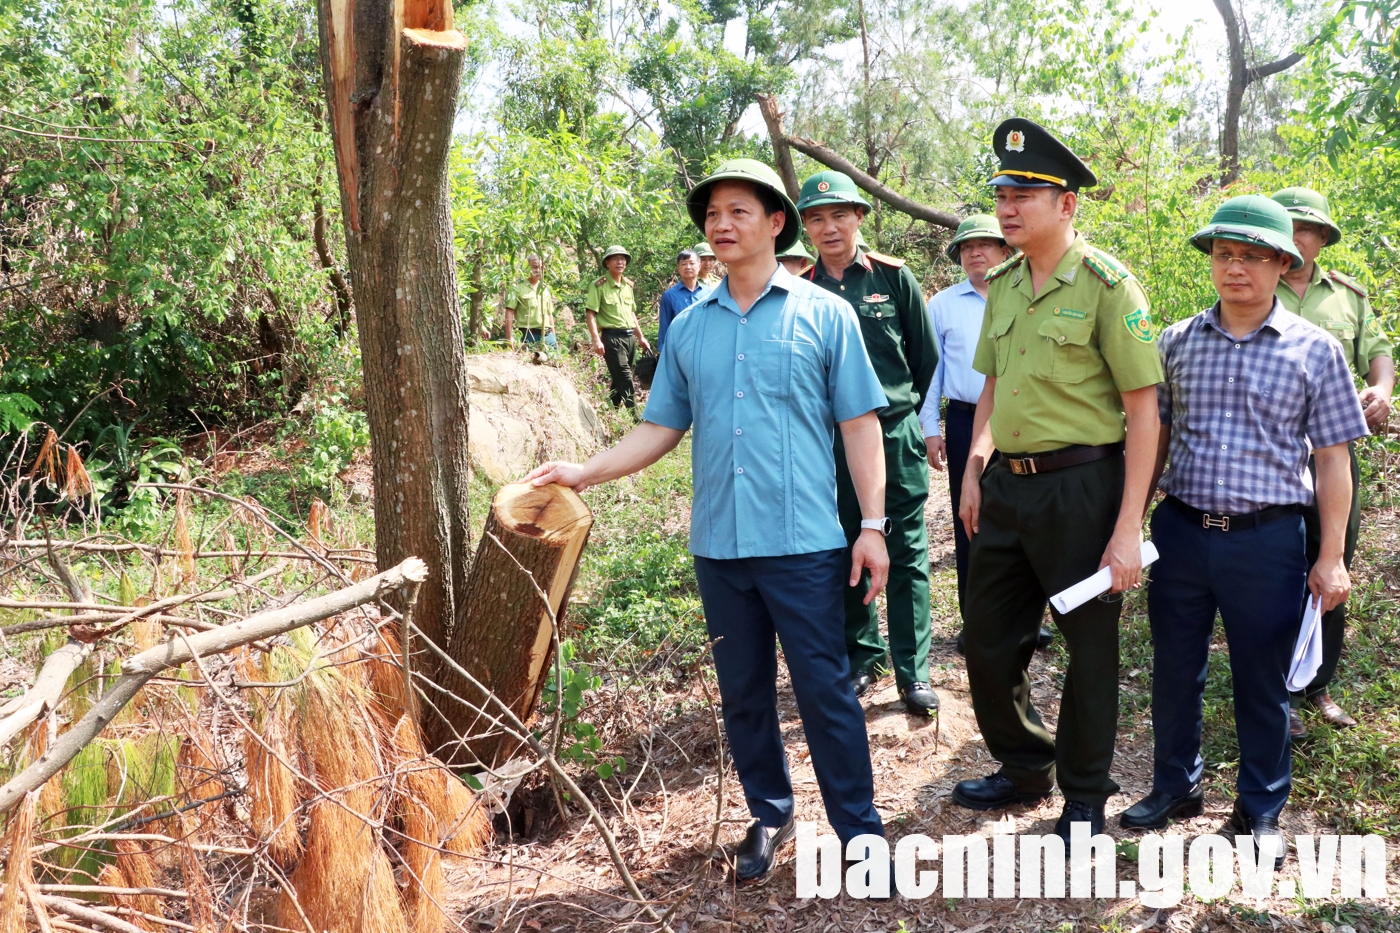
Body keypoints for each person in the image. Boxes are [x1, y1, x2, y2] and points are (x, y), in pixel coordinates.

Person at [527, 159, 892, 883]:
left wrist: (873, 524)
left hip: (805, 543)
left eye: (738, 212)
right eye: (712, 216)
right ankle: (771, 812)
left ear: (775, 222)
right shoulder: (690, 329)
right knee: (745, 693)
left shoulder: (826, 315)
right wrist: (582, 470)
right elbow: (658, 428)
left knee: (825, 689)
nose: (721, 226)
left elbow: (859, 424)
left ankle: (861, 832)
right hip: (720, 547)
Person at [1121, 196, 1368, 868]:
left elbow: (1333, 459)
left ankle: (1260, 806)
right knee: (1176, 667)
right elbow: (1155, 434)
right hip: (1182, 531)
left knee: (1262, 677)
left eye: (1253, 256)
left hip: (1268, 539)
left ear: (1283, 264)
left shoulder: (1315, 351)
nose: (1236, 267)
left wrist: (1331, 555)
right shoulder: (1174, 340)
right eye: (1225, 254)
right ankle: (1175, 783)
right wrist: (1131, 524)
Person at [952, 119, 1163, 842]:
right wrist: (976, 465)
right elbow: (991, 387)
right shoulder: (1004, 282)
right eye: (1002, 192)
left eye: (1026, 194)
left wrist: (1129, 523)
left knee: (1090, 648)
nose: (1007, 207)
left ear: (1067, 204)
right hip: (1008, 487)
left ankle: (1081, 797)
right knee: (986, 637)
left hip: (1084, 489)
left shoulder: (1108, 284)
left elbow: (1144, 413)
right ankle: (1023, 764)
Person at [799, 170, 940, 715]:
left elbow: (925, 362)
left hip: (892, 433)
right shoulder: (802, 288)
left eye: (839, 215)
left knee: (904, 550)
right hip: (829, 441)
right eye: (816, 218)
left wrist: (898, 413)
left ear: (860, 217)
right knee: (844, 546)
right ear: (804, 227)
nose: (829, 227)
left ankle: (914, 670)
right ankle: (863, 656)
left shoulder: (893, 278)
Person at [1271, 186, 1394, 736]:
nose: (1298, 238)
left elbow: (1378, 353)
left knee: (1331, 563)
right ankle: (1277, 689)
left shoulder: (1347, 296)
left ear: (1322, 239)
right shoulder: (1251, 280)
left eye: (1308, 229)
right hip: (1268, 453)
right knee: (1275, 569)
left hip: (1333, 455)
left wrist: (1383, 389)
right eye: (1288, 226)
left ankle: (1317, 685)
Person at [922, 216, 1054, 657]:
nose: (975, 253)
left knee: (1026, 518)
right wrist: (930, 429)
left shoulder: (1027, 294)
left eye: (985, 245)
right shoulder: (942, 304)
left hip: (1024, 422)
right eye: (966, 247)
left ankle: (1028, 622)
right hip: (964, 422)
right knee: (971, 520)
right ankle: (976, 622)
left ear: (1005, 251)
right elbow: (932, 372)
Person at [585, 246, 652, 411]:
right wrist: (596, 340)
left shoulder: (628, 286)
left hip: (629, 338)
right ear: (607, 262)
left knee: (619, 377)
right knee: (625, 376)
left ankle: (610, 411)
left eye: (623, 259)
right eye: (615, 258)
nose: (620, 262)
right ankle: (635, 416)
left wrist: (641, 337)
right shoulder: (598, 285)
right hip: (611, 338)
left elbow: (632, 314)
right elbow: (590, 314)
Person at [657, 249, 706, 353]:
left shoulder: (709, 294)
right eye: (684, 264)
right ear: (678, 268)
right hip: (680, 349)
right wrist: (663, 352)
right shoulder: (669, 296)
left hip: (705, 347)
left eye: (692, 263)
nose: (688, 267)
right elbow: (664, 327)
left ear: (699, 266)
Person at [504, 254, 556, 348]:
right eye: (535, 267)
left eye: (541, 267)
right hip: (529, 335)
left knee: (556, 361)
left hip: (548, 336)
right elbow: (509, 311)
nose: (538, 270)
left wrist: (554, 336)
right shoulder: (517, 288)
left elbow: (549, 314)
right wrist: (509, 337)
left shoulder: (546, 288)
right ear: (528, 268)